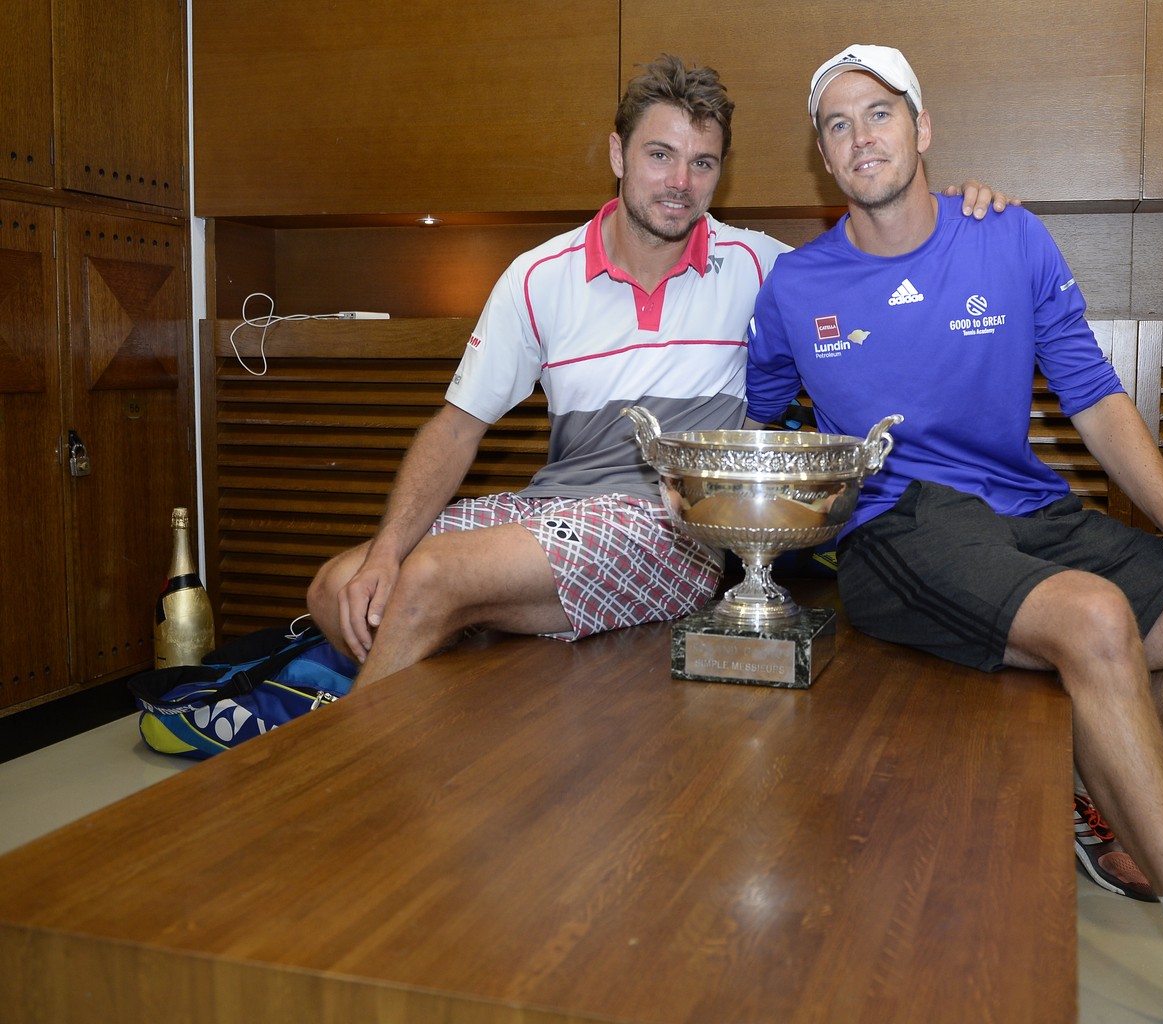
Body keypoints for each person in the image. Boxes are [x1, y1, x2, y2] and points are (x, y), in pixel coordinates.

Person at [745, 44, 1163, 1024]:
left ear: (922, 128)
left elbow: (1093, 397)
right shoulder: (796, 287)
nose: (859, 137)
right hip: (899, 526)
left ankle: (1082, 795)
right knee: (1096, 621)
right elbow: (763, 433)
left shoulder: (1006, 236)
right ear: (823, 158)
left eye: (878, 113)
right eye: (836, 126)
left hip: (1031, 507)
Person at [306, 55, 1010, 687]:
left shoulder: (764, 270)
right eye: (660, 155)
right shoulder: (537, 277)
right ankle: (437, 736)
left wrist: (952, 212)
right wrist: (383, 552)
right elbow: (457, 431)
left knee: (428, 579)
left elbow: (874, 268)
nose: (680, 182)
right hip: (550, 509)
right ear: (617, 153)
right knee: (338, 584)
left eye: (703, 163)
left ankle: (351, 792)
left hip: (670, 529)